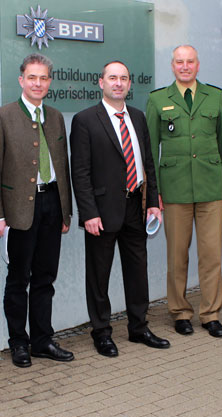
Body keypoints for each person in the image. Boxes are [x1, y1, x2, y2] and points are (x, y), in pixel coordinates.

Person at [70, 61, 170, 357]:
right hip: (101, 211)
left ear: (129, 84)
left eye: (123, 78)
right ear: (101, 83)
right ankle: (101, 332)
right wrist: (88, 212)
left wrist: (153, 202)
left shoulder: (138, 117)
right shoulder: (86, 120)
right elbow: (80, 171)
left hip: (135, 207)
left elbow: (147, 163)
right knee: (98, 275)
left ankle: (139, 328)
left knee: (137, 271)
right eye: (112, 78)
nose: (118, 83)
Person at [0, 53, 74, 367]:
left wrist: (66, 212)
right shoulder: (2, 116)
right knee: (18, 278)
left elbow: (63, 167)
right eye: (32, 77)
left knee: (45, 278)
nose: (38, 83)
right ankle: (18, 343)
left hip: (51, 205)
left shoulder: (56, 116)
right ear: (21, 80)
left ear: (49, 82)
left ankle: (42, 340)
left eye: (43, 78)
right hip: (19, 210)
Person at [146, 45, 222, 338]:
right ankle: (180, 312)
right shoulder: (158, 99)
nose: (185, 66)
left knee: (211, 255)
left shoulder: (215, 95)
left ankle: (210, 313)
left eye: (190, 62)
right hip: (174, 190)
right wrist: (153, 192)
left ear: (198, 65)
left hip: (211, 188)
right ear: (172, 66)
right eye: (179, 62)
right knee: (177, 256)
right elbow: (149, 151)